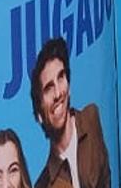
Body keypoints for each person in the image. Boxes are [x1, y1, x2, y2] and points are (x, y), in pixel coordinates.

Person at [29, 37, 110, 188]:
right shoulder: (43, 184)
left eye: (61, 77)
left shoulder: (91, 119)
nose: (58, 93)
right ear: (39, 115)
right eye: (48, 88)